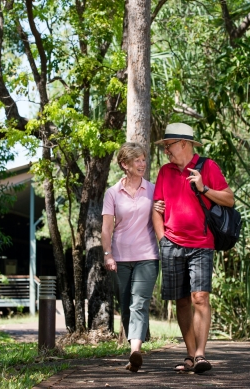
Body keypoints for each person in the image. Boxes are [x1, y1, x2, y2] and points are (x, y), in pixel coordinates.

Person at [152, 123, 234, 374]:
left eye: (169, 145)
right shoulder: (165, 172)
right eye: (165, 146)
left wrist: (204, 188)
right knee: (182, 300)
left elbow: (229, 199)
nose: (166, 150)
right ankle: (189, 354)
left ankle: (201, 355)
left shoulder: (207, 167)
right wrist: (162, 239)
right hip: (172, 245)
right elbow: (157, 208)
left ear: (184, 144)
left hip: (201, 244)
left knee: (200, 297)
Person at [102, 142, 160, 373]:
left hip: (147, 255)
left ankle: (135, 351)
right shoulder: (113, 193)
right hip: (121, 257)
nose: (142, 164)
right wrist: (108, 254)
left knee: (139, 303)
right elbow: (107, 228)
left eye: (144, 160)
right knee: (125, 305)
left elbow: (162, 214)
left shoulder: (154, 189)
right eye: (137, 160)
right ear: (124, 164)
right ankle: (133, 350)